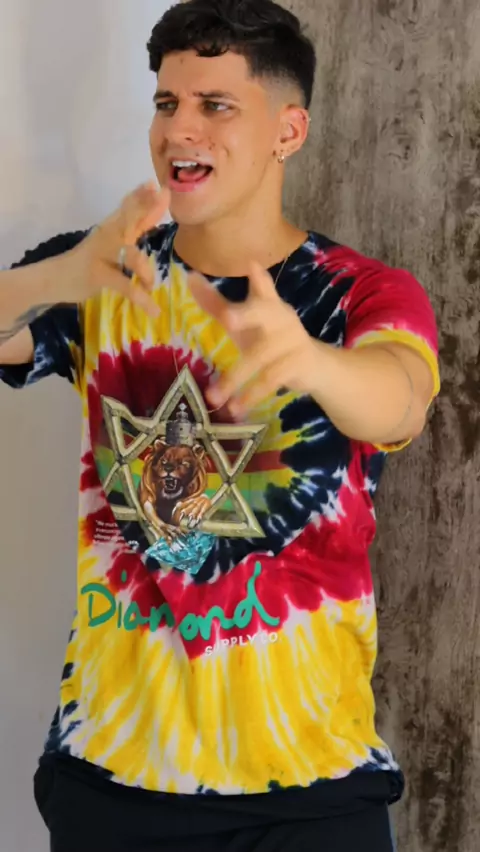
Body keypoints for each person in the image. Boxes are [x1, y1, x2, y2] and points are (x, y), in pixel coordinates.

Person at [0, 1, 440, 850]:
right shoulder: (106, 271)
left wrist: (309, 361)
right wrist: (52, 277)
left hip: (309, 790)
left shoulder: (357, 291)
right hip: (109, 779)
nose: (180, 128)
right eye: (167, 103)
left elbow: (402, 395)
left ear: (288, 130)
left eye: (216, 105)